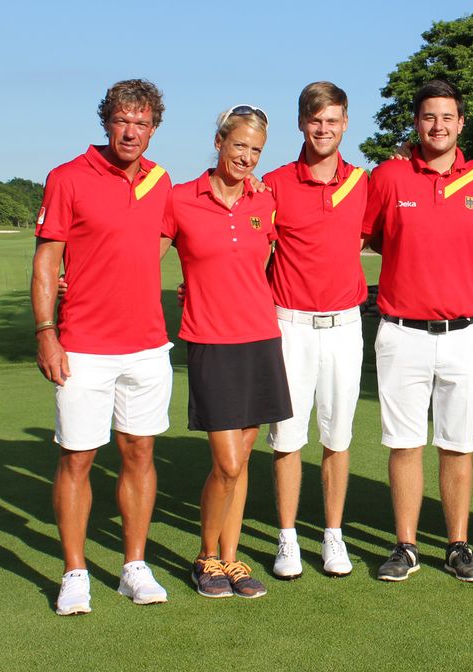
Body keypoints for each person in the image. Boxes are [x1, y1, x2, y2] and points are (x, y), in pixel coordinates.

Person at [32, 79, 173, 615]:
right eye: (122, 120)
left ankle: (134, 566)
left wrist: (124, 269)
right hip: (83, 346)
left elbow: (161, 237)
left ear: (154, 128)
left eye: (141, 123)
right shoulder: (68, 177)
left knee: (140, 453)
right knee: (78, 458)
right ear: (106, 122)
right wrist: (46, 331)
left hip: (146, 346)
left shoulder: (161, 181)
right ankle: (75, 572)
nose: (131, 131)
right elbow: (47, 260)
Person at [362, 79, 473, 582]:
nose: (437, 126)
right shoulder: (390, 177)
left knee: (458, 443)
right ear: (416, 123)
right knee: (404, 443)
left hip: (465, 333)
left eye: (447, 117)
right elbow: (368, 237)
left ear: (461, 123)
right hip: (401, 331)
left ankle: (458, 545)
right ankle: (406, 546)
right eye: (427, 117)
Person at [162, 104, 292, 599]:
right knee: (228, 463)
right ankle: (204, 556)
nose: (247, 157)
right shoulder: (179, 199)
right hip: (210, 342)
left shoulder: (265, 201)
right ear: (218, 142)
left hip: (260, 339)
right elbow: (140, 252)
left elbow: (290, 259)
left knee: (243, 459)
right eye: (239, 145)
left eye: (256, 150)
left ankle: (231, 560)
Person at [263, 82, 367, 579]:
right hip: (289, 324)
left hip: (345, 325)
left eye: (333, 120)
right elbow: (242, 247)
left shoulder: (364, 182)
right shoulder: (275, 183)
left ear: (345, 123)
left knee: (337, 437)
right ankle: (287, 539)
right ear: (301, 123)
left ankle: (332, 536)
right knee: (288, 439)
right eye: (314, 120)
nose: (323, 129)